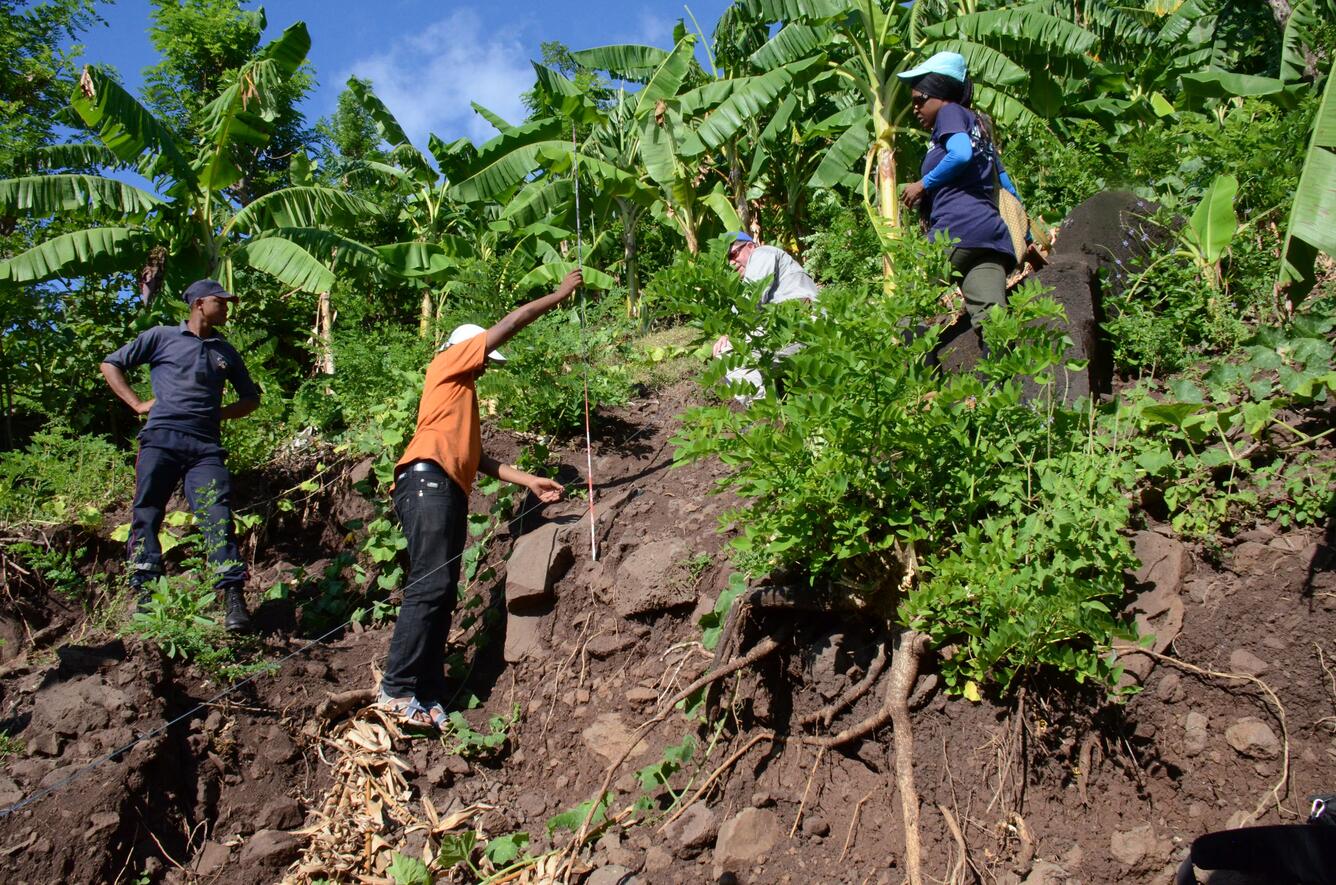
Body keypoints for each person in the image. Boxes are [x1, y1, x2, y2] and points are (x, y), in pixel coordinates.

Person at [378, 269, 588, 730]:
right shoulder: (449, 364)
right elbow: (513, 321)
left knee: (443, 591)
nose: (487, 366)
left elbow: (480, 461)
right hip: (426, 480)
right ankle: (395, 688)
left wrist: (529, 480)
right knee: (429, 586)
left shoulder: (458, 400)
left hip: (448, 486)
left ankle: (429, 695)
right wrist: (557, 295)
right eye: (487, 358)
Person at [101, 279, 261, 632]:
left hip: (205, 447)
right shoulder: (161, 337)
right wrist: (137, 404)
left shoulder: (225, 351)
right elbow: (111, 364)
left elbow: (250, 399)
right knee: (147, 511)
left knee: (217, 515)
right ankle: (145, 594)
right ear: (200, 303)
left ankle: (232, 597)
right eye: (222, 302)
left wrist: (216, 413)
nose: (227, 308)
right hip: (161, 439)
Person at [898, 51, 1021, 338]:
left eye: (919, 100)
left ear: (940, 95)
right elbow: (1004, 181)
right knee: (994, 320)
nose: (915, 109)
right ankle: (1003, 379)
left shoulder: (950, 112)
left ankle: (919, 381)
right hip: (989, 235)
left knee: (905, 305)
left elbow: (961, 154)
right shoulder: (979, 123)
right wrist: (1022, 231)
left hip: (956, 230)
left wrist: (922, 184)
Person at [713, 233, 820, 403]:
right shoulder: (770, 266)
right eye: (728, 259)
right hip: (795, 330)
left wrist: (730, 332)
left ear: (750, 246)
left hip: (801, 326)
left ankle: (762, 417)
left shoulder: (762, 253)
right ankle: (776, 409)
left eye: (733, 254)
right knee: (750, 362)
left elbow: (750, 299)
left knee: (727, 352)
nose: (731, 262)